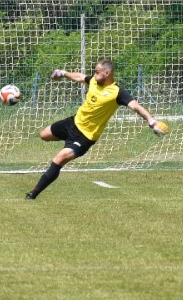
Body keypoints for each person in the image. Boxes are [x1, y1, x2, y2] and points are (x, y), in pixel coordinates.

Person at [25, 59, 167, 200]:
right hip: (73, 123)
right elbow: (80, 77)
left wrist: (152, 121)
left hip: (85, 137)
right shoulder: (94, 81)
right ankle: (68, 142)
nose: (94, 74)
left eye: (97, 72)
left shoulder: (117, 92)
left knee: (59, 158)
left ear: (106, 73)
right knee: (43, 135)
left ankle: (33, 194)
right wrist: (62, 73)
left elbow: (136, 106)